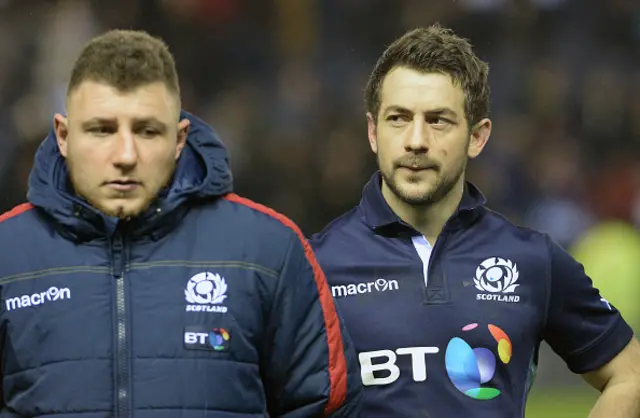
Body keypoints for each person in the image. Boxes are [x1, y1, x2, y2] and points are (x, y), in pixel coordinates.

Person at [0, 29, 362, 417]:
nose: (125, 154)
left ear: (179, 138)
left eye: (147, 130)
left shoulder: (267, 250)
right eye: (102, 129)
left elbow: (327, 405)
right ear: (64, 136)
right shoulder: (8, 252)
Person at [309, 24, 640, 417]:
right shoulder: (314, 265)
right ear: (372, 132)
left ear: (477, 137)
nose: (416, 140)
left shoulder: (530, 260)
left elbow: (630, 375)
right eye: (398, 118)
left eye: (438, 120)